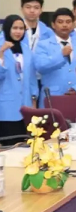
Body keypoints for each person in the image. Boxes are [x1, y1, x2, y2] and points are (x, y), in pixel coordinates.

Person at [34, 8, 76, 106]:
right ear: (53, 25)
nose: (65, 25)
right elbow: (40, 67)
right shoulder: (43, 45)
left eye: (68, 22)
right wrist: (61, 55)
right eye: (60, 22)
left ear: (73, 24)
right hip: (52, 97)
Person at [0, 15, 38, 144]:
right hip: (6, 108)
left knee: (25, 145)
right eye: (14, 28)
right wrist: (1, 53)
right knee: (9, 147)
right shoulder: (1, 47)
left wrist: (34, 100)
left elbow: (32, 77)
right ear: (7, 28)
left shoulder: (26, 48)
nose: (18, 31)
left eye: (21, 28)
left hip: (26, 106)